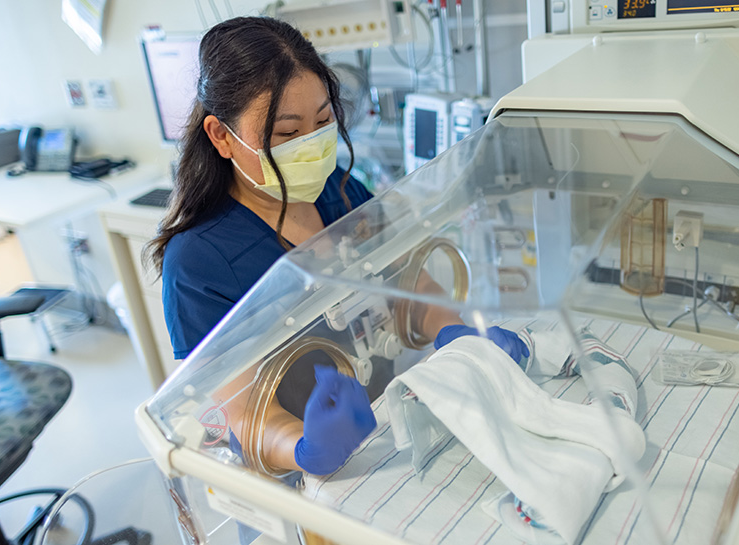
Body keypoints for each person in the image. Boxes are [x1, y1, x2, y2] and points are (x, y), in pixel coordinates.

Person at [147, 16, 528, 477]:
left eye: (324, 120)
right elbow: (245, 416)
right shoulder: (201, 261)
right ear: (221, 136)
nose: (311, 145)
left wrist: (455, 333)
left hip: (394, 435)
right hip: (299, 482)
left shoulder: (340, 192)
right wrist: (308, 447)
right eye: (287, 133)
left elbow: (412, 286)